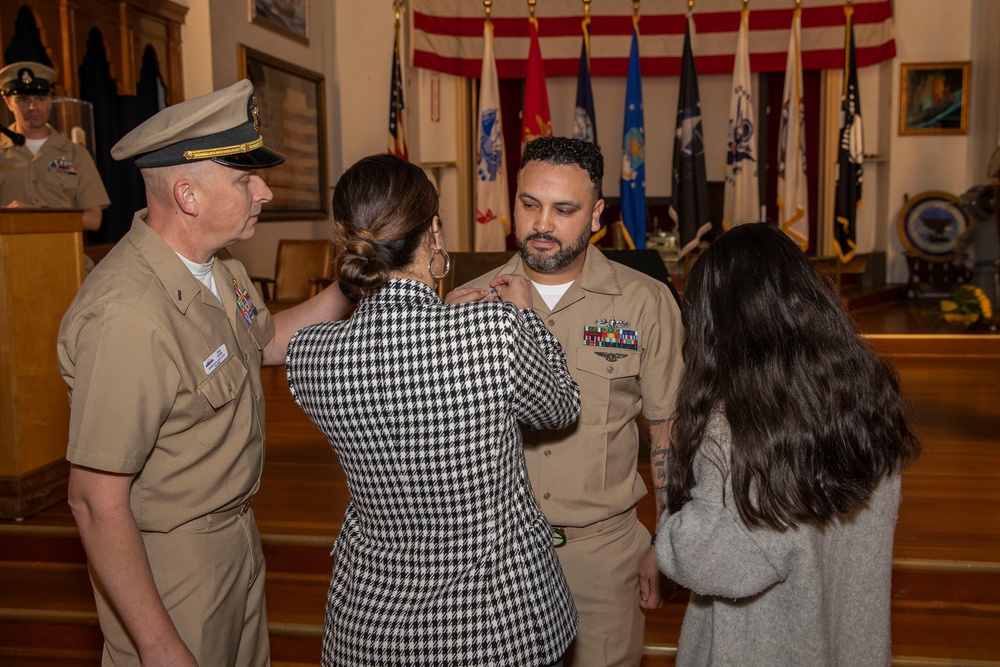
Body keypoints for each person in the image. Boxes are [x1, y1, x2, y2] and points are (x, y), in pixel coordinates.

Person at [57, 79, 353, 666]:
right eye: (245, 179)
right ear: (188, 195)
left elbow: (266, 342)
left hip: (234, 538)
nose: (264, 191)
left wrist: (349, 285)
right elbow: (94, 500)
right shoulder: (128, 317)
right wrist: (159, 645)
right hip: (170, 567)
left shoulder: (216, 269)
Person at [284, 153, 581, 667]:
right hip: (496, 626)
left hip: (370, 627)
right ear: (434, 235)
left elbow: (400, 377)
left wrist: (453, 324)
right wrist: (524, 317)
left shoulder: (310, 355)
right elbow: (561, 407)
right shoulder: (495, 332)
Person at [463, 136, 685, 667]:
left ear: (596, 215)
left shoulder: (645, 303)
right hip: (493, 557)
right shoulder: (469, 301)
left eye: (564, 210)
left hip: (602, 554)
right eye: (530, 204)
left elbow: (668, 429)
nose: (542, 224)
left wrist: (666, 539)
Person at [655, 222, 921, 666]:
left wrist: (670, 486)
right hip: (848, 642)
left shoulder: (737, 426)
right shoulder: (864, 395)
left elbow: (704, 560)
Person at [0, 61, 109, 231]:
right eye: (23, 99)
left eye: (40, 99)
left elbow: (93, 220)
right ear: (8, 102)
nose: (32, 107)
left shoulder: (76, 154)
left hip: (64, 252)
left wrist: (37, 215)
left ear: (50, 99)